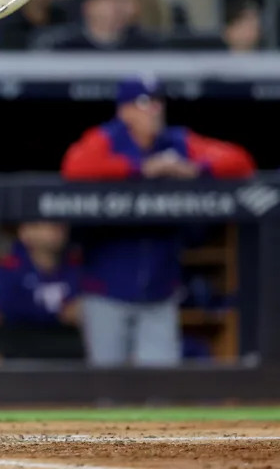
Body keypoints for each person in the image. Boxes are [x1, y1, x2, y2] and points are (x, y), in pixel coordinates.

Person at [61, 76, 256, 367]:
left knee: (161, 389)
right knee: (107, 389)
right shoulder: (107, 139)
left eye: (157, 102)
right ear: (124, 110)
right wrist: (140, 168)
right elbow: (75, 166)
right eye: (144, 103)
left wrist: (194, 169)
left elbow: (240, 161)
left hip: (160, 290)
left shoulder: (176, 141)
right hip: (106, 290)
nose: (153, 110)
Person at [0, 222, 80, 327]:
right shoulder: (8, 269)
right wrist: (61, 315)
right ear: (25, 232)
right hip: (22, 340)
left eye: (60, 221)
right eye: (45, 222)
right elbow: (10, 310)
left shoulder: (80, 264)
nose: (57, 226)